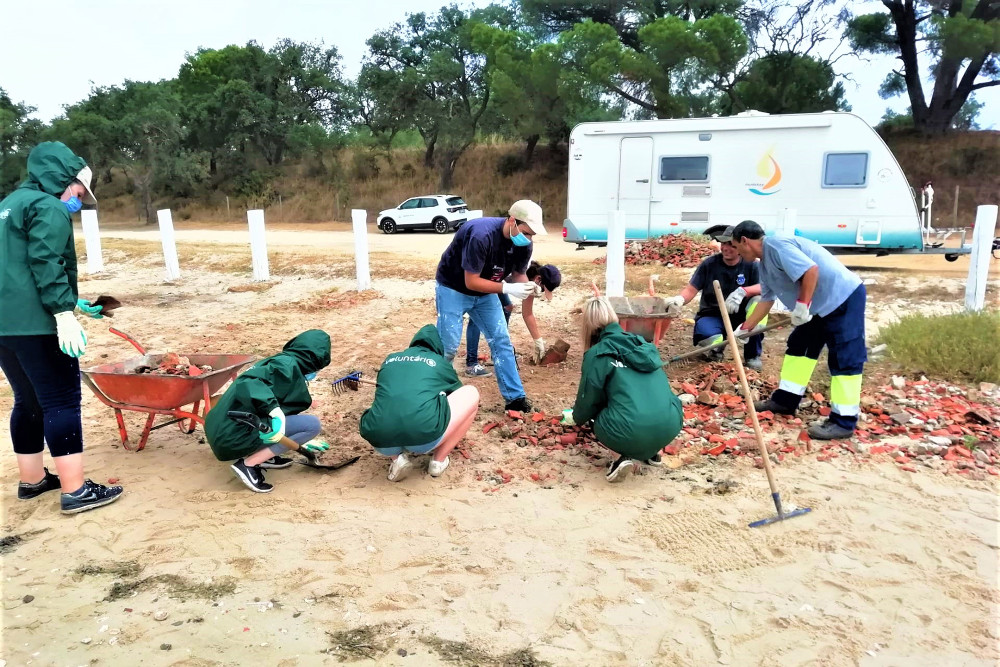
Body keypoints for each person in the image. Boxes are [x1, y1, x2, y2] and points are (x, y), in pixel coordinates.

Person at [0, 141, 124, 514]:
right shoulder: (48, 206)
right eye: (80, 190)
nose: (81, 199)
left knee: (28, 400)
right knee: (61, 401)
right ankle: (76, 491)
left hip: (5, 326)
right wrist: (61, 313)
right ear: (65, 179)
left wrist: (74, 303)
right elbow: (45, 261)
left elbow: (18, 268)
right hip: (36, 325)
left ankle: (33, 480)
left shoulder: (9, 205)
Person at [730, 220, 867, 440]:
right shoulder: (763, 263)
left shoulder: (775, 245)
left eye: (736, 247)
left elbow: (810, 270)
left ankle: (844, 421)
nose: (736, 252)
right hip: (815, 306)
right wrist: (745, 329)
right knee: (800, 347)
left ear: (745, 241)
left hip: (842, 298)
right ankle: (786, 400)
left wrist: (802, 304)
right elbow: (766, 298)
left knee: (845, 356)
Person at [434, 200, 545, 412]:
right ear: (512, 221)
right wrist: (506, 289)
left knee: (501, 340)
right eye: (526, 233)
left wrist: (529, 288)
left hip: (485, 292)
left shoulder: (524, 245)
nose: (529, 239)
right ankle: (436, 391)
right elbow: (471, 282)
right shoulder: (481, 235)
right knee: (448, 345)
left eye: (532, 235)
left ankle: (515, 399)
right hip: (453, 287)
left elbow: (519, 274)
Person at [570, 297, 684, 483]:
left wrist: (576, 418)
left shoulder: (598, 352)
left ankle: (619, 459)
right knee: (644, 397)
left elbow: (588, 400)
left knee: (596, 411)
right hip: (670, 424)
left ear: (588, 325)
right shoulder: (643, 344)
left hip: (630, 429)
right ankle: (650, 451)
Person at [205, 330, 333, 493]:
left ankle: (268, 456)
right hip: (232, 436)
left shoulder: (280, 361)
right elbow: (250, 384)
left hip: (223, 431)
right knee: (312, 425)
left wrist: (295, 435)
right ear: (315, 359)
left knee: (289, 418)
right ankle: (248, 465)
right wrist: (274, 411)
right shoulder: (286, 366)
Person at [360, 324, 479, 481]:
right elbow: (455, 392)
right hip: (425, 439)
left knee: (386, 404)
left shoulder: (390, 359)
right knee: (471, 393)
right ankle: (438, 461)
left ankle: (397, 460)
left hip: (381, 440)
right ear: (437, 347)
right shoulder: (438, 362)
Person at [663, 224, 766, 370]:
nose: (726, 248)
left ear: (740, 246)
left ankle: (752, 355)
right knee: (707, 335)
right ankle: (716, 350)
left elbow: (764, 288)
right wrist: (679, 299)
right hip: (713, 314)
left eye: (731, 245)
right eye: (723, 243)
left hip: (742, 315)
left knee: (758, 303)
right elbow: (692, 289)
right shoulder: (709, 264)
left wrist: (744, 291)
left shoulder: (752, 265)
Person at [464, 261, 562, 376]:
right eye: (542, 289)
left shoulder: (531, 282)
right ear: (538, 279)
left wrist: (538, 340)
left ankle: (500, 352)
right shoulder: (518, 267)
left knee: (507, 307)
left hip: (499, 282)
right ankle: (472, 363)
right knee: (477, 314)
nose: (540, 292)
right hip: (483, 279)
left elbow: (527, 313)